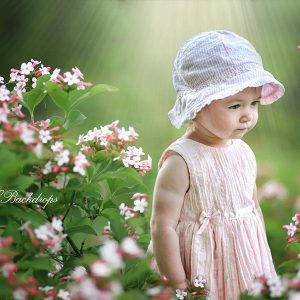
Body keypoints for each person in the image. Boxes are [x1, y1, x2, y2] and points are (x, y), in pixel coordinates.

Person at [147, 30, 285, 299]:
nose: (248, 116)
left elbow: (252, 211)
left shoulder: (243, 152)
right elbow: (161, 225)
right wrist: (177, 283)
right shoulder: (181, 160)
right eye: (234, 106)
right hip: (198, 270)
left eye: (254, 104)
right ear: (198, 105)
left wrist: (260, 262)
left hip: (243, 264)